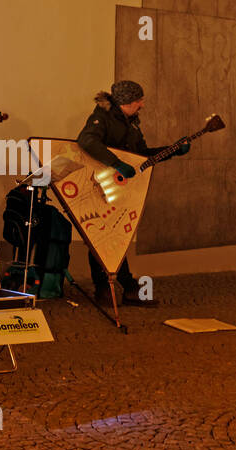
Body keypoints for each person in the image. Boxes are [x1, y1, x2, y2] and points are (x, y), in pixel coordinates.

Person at [75, 79, 189, 306]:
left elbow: (141, 156)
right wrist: (116, 163)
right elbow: (86, 141)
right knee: (100, 236)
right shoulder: (102, 118)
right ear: (125, 102)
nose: (142, 105)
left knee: (116, 235)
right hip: (101, 186)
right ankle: (109, 288)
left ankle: (124, 287)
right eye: (138, 100)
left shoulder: (132, 123)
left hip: (121, 188)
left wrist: (172, 150)